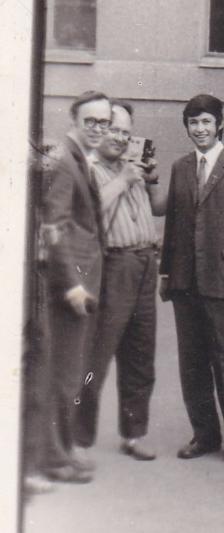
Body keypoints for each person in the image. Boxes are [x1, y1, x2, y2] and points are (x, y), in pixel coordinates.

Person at [159, 94, 224, 467]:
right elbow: (173, 225)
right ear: (186, 127)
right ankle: (204, 435)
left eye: (206, 122)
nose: (200, 129)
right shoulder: (180, 167)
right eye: (193, 122)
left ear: (219, 125)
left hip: (223, 280)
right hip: (184, 281)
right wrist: (166, 273)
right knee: (192, 362)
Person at [73, 100, 165, 462]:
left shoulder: (130, 167)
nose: (121, 138)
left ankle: (134, 434)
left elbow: (158, 208)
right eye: (114, 129)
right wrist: (124, 180)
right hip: (112, 267)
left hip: (145, 264)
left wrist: (150, 179)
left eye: (127, 132)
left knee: (140, 355)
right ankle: (77, 441)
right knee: (95, 358)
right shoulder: (89, 168)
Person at [39, 90, 112, 483]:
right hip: (72, 287)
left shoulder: (80, 158)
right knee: (64, 374)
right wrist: (70, 285)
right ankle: (54, 458)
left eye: (104, 122)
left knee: (72, 372)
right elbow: (54, 227)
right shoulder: (66, 161)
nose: (98, 128)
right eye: (91, 121)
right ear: (75, 121)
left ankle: (63, 450)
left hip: (83, 282)